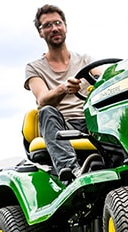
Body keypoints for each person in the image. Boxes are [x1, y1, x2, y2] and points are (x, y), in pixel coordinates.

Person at [24, 4, 95, 181]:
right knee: (46, 111)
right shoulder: (34, 68)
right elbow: (42, 100)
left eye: (57, 23)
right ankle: (70, 172)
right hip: (63, 127)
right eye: (47, 25)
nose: (54, 28)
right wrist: (63, 88)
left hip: (92, 122)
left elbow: (104, 76)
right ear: (40, 33)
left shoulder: (85, 60)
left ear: (65, 26)